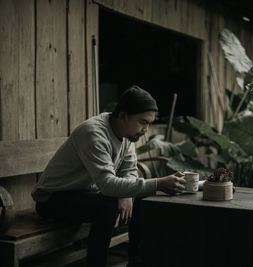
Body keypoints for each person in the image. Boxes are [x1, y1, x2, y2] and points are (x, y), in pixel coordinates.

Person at [31, 85, 186, 267]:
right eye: (143, 121)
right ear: (123, 116)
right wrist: (158, 183)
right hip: (52, 199)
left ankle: (135, 260)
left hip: (86, 195)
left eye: (149, 123)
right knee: (107, 205)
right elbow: (107, 185)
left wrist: (127, 193)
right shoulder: (93, 133)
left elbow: (129, 170)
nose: (146, 129)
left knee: (141, 196)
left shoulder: (128, 134)